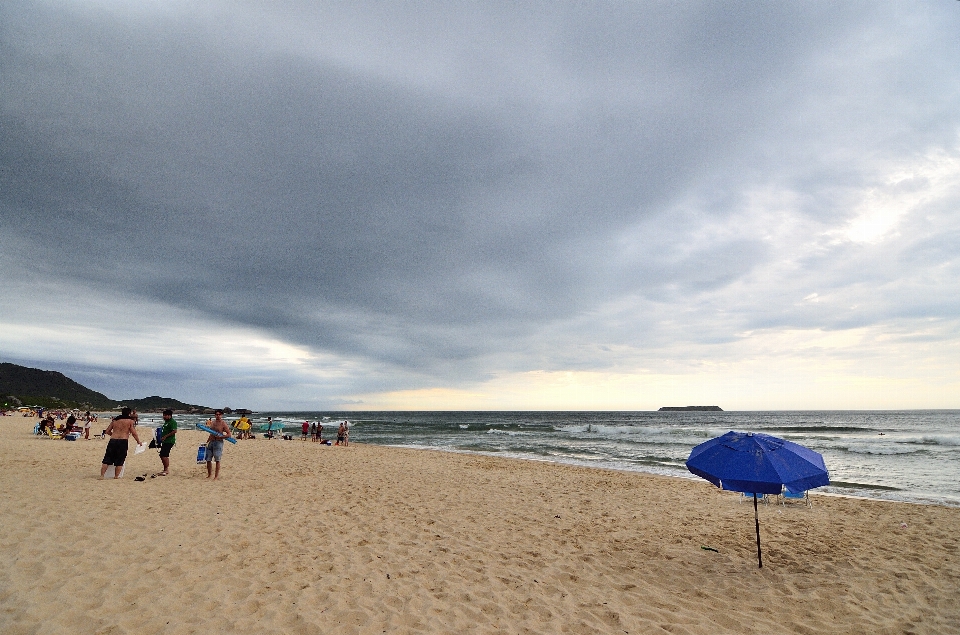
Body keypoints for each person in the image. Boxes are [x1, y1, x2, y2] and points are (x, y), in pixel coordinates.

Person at [100, 407, 141, 479]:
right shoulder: (130, 421)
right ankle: (116, 476)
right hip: (123, 441)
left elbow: (107, 431)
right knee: (120, 459)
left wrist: (113, 434)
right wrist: (138, 441)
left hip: (113, 440)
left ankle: (102, 475)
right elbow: (134, 433)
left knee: (107, 458)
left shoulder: (115, 420)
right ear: (129, 413)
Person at [205, 409, 233, 480]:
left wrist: (222, 436)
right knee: (208, 459)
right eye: (216, 414)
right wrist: (207, 442)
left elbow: (229, 434)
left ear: (221, 415)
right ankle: (209, 474)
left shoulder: (223, 423)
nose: (217, 416)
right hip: (211, 442)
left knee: (217, 460)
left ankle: (216, 476)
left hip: (218, 442)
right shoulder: (213, 422)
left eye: (219, 414)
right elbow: (211, 433)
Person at [157, 408, 177, 475]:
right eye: (163, 415)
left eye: (165, 415)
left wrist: (165, 436)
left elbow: (174, 431)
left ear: (169, 415)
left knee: (163, 455)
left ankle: (166, 470)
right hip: (164, 441)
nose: (164, 417)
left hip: (169, 441)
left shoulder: (172, 422)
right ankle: (165, 469)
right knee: (163, 455)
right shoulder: (166, 422)